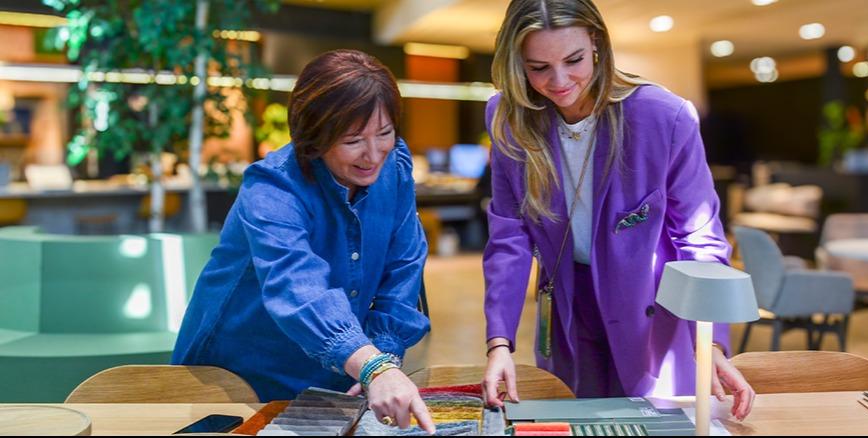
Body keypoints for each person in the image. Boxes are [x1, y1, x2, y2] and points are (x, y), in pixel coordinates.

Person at [481, 0, 755, 421]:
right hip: (567, 307)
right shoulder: (508, 118)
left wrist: (712, 342)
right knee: (576, 419)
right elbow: (509, 236)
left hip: (652, 312)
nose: (559, 81)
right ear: (517, 63)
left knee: (654, 422)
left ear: (596, 43)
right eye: (538, 68)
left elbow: (698, 238)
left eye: (574, 60)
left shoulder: (663, 117)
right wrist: (499, 342)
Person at [172, 49, 435, 433]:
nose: (373, 154)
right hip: (240, 377)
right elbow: (298, 287)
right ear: (314, 136)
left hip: (340, 371)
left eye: (384, 133)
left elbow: (404, 266)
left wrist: (382, 355)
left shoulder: (393, 168)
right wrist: (373, 366)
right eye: (353, 140)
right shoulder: (273, 188)